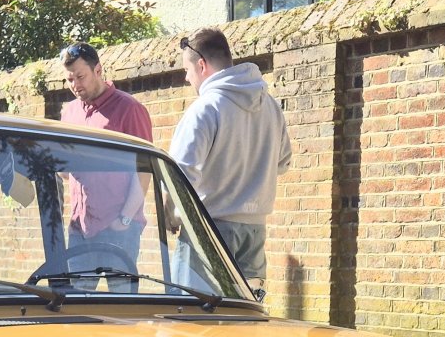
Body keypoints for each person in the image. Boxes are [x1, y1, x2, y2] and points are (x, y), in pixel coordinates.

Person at [169, 28, 291, 289]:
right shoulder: (270, 106)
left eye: (187, 70)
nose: (186, 77)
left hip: (209, 231)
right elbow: (283, 163)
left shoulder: (205, 108)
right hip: (254, 233)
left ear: (201, 65)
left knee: (192, 320)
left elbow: (180, 173)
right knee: (244, 320)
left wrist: (173, 215)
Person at [58, 42, 153, 283]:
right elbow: (67, 173)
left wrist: (125, 219)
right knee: (77, 307)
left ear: (98, 70)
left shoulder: (129, 109)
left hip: (119, 229)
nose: (75, 85)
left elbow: (144, 170)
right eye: (70, 80)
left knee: (121, 311)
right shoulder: (68, 113)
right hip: (80, 228)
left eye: (81, 77)